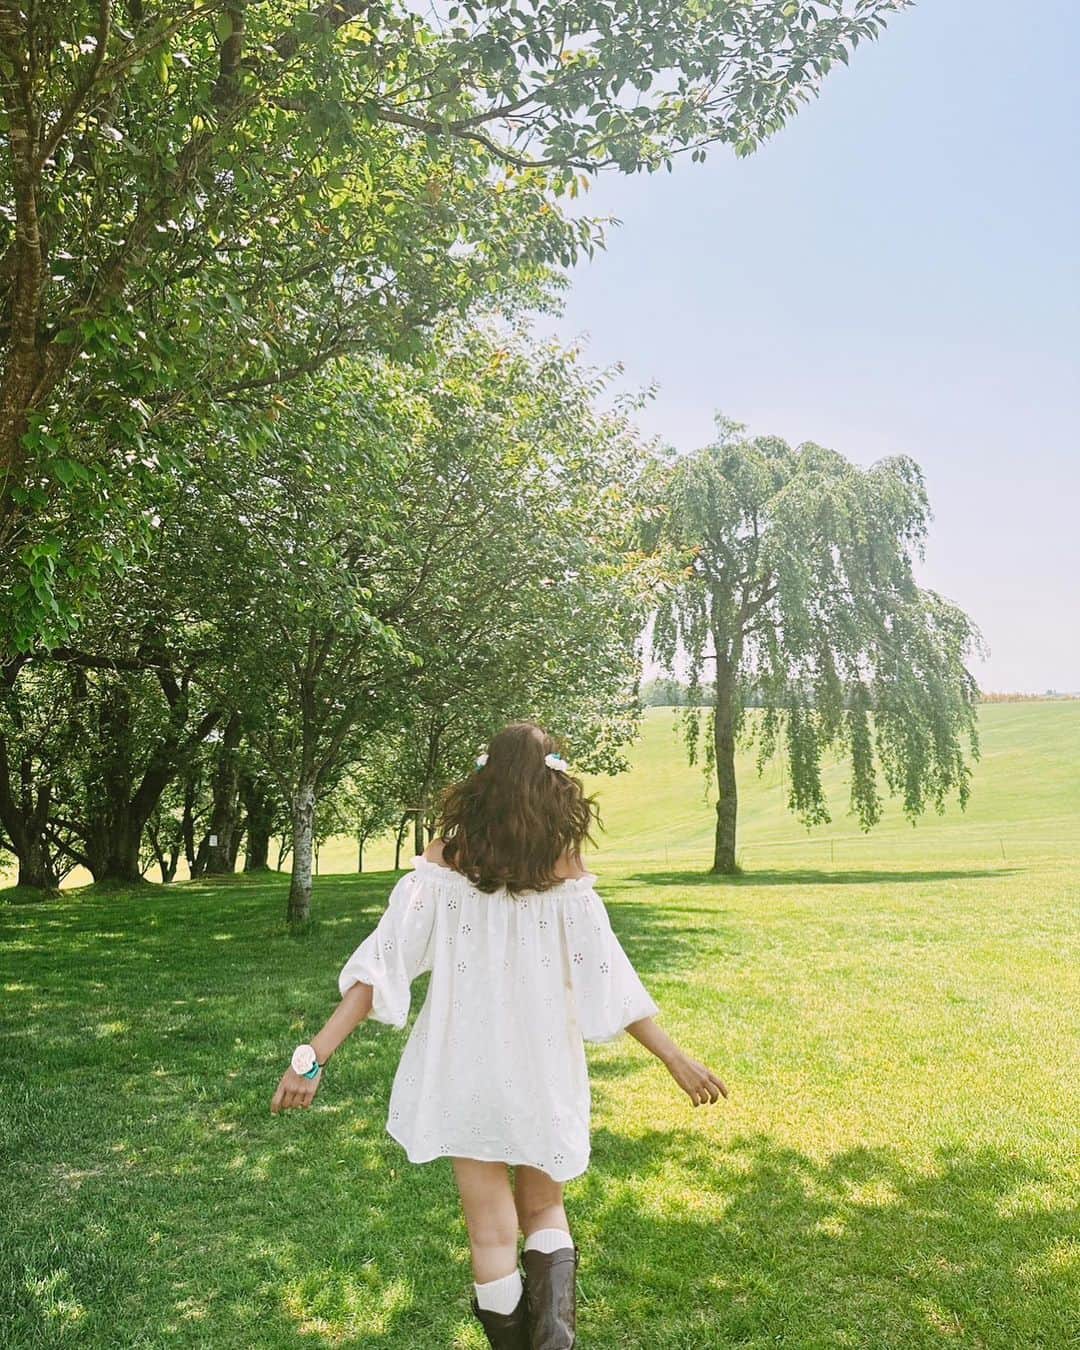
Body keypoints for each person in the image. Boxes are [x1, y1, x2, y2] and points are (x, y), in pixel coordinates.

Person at [271, 720, 727, 1348]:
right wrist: (675, 1058)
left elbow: (380, 970)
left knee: (490, 1235)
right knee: (543, 1210)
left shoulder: (440, 863)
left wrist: (312, 1058)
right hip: (543, 1069)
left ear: (482, 781)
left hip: (463, 1070)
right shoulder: (568, 871)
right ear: (553, 784)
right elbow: (611, 981)